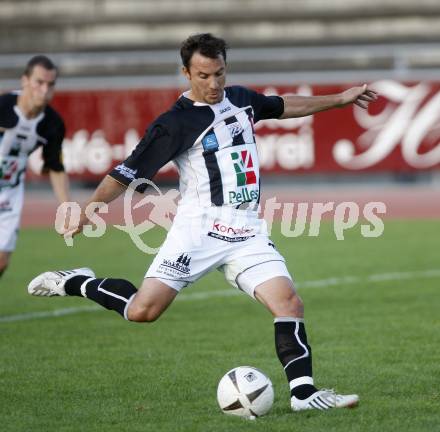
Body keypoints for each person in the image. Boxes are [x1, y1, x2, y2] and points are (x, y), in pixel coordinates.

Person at [28, 34, 377, 411]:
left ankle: (304, 394)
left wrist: (340, 99)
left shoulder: (241, 99)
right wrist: (88, 208)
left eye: (219, 74)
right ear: (186, 73)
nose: (213, 84)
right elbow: (126, 172)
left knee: (289, 302)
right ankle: (78, 281)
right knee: (143, 311)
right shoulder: (175, 124)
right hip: (197, 230)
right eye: (204, 75)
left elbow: (283, 105)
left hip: (246, 229)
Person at [0, 55, 69, 278]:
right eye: (39, 82)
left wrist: (65, 206)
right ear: (25, 81)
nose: (44, 89)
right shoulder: (3, 107)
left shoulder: (53, 123)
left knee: (1, 261)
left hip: (9, 193)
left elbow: (55, 166)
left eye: (50, 84)